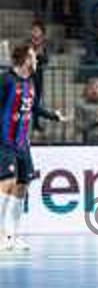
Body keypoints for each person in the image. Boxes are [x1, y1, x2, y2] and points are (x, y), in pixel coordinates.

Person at [0, 44, 66, 251]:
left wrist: (53, 116)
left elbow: (34, 107)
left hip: (22, 143)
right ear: (26, 60)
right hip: (5, 141)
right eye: (33, 57)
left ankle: (13, 235)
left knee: (22, 187)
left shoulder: (30, 82)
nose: (36, 60)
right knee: (7, 183)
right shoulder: (5, 80)